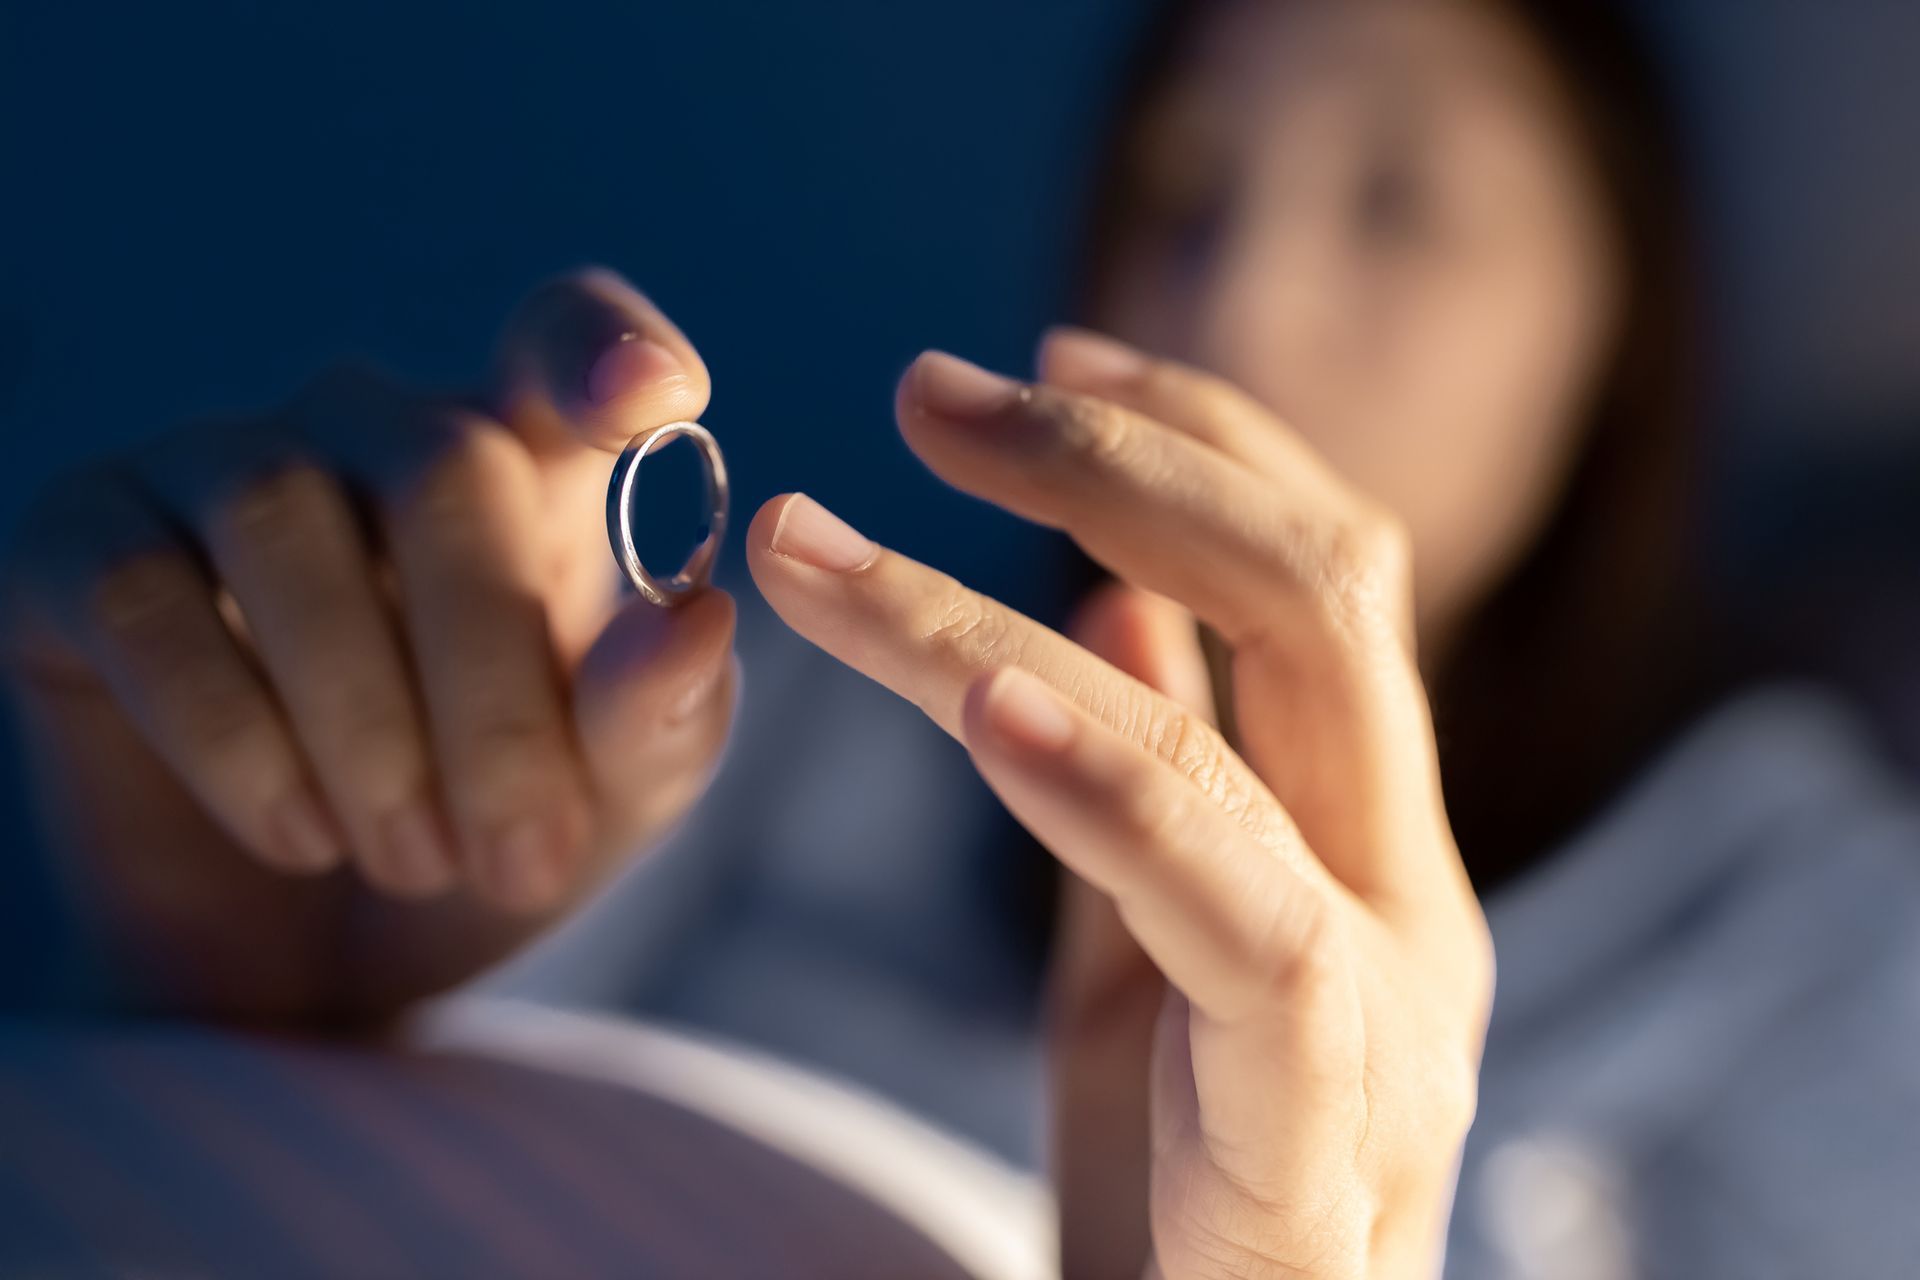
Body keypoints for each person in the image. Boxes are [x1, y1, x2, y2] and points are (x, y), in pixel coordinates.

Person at [4, 1, 1917, 1276]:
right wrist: (273, 995)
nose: (1233, 287)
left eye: (1400, 204)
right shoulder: (790, 726)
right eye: (1178, 191)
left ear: (1618, 337)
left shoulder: (1822, 932)